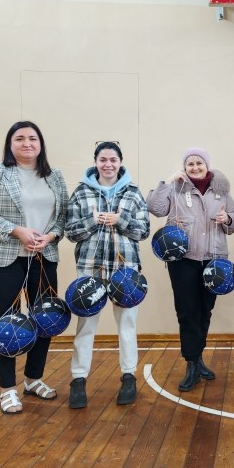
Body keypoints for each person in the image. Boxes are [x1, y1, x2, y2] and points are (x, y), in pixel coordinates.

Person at [0, 121, 68, 414]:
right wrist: (17, 231)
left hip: (43, 257)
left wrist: (50, 236)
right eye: (20, 138)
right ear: (10, 144)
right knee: (7, 323)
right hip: (2, 258)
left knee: (46, 319)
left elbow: (62, 218)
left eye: (32, 138)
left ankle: (33, 379)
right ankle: (7, 389)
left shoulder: (54, 176)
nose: (27, 143)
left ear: (41, 144)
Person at [148, 147, 234, 392]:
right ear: (184, 167)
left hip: (214, 260)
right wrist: (168, 181)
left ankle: (198, 358)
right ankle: (191, 363)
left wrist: (227, 220)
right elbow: (155, 208)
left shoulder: (221, 191)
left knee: (204, 311)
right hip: (183, 260)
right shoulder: (175, 188)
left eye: (199, 163)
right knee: (187, 311)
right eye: (190, 164)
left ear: (206, 165)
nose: (195, 167)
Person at [65, 141, 150, 408]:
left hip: (125, 272)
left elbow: (143, 231)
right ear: (96, 162)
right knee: (85, 326)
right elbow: (71, 232)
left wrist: (119, 220)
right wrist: (93, 220)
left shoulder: (133, 192)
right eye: (103, 159)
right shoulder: (81, 192)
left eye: (113, 160)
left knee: (127, 326)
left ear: (120, 162)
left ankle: (128, 377)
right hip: (90, 269)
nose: (108, 164)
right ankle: (78, 380)